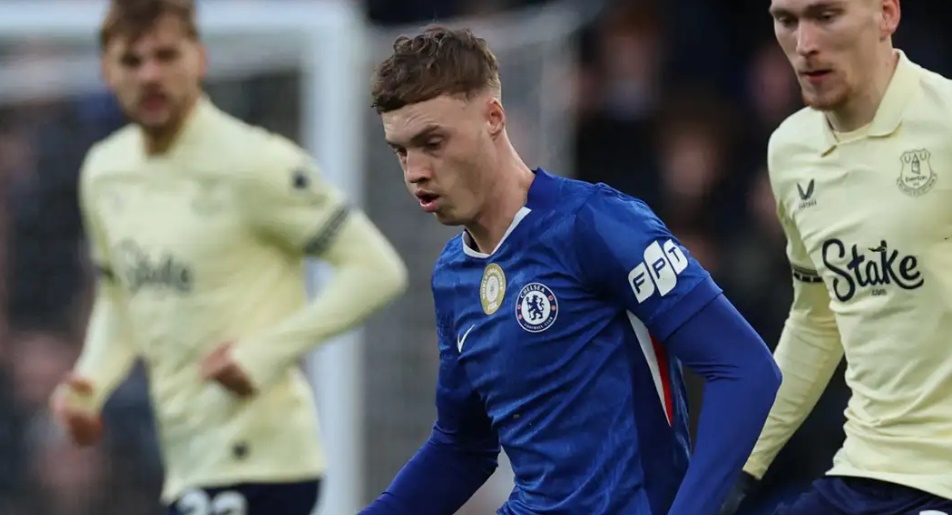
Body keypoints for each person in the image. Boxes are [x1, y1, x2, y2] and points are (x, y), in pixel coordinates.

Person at [359, 25, 781, 515]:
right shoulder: (454, 275)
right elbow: (461, 446)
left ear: (493, 117)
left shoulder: (595, 224)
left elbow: (744, 369)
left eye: (432, 142)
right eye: (401, 150)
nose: (414, 171)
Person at [47, 1, 408, 514]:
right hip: (189, 462)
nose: (150, 75)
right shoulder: (105, 172)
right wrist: (90, 380)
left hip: (261, 458)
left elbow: (376, 271)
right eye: (132, 61)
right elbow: (120, 295)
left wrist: (263, 354)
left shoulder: (256, 163)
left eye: (166, 56)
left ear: (200, 58)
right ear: (107, 71)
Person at [719, 0, 952, 514]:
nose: (804, 45)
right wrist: (738, 467)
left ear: (887, 14)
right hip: (862, 473)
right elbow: (816, 321)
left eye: (826, 17)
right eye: (787, 21)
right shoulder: (790, 149)